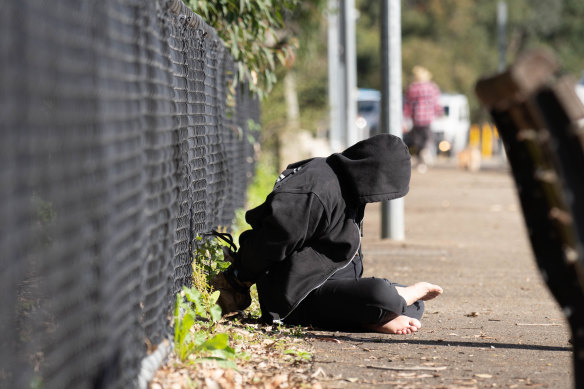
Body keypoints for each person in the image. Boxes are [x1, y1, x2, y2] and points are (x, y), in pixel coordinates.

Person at [212, 134, 443, 334]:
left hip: (327, 284)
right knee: (384, 295)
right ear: (372, 173)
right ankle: (376, 313)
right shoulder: (316, 190)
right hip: (295, 296)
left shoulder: (349, 184)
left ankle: (376, 315)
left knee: (414, 305)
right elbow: (269, 241)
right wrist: (238, 277)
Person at [403, 66, 443, 173]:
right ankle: (425, 153)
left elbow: (408, 105)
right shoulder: (432, 87)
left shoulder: (412, 88)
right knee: (428, 138)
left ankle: (421, 162)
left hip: (416, 119)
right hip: (428, 118)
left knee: (417, 141)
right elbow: (436, 103)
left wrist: (405, 116)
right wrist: (440, 113)